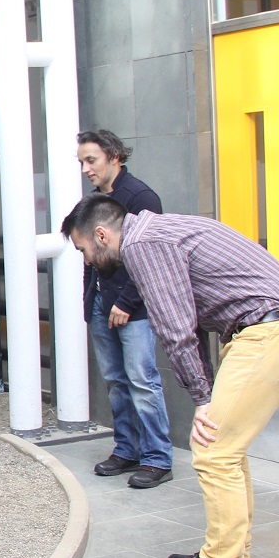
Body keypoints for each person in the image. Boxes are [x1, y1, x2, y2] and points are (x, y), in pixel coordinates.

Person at [63, 193, 279, 558]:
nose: (87, 261)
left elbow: (176, 328)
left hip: (269, 333)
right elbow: (191, 322)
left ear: (102, 235)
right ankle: (231, 556)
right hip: (274, 329)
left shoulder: (143, 245)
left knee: (214, 450)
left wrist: (202, 398)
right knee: (226, 448)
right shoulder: (158, 232)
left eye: (84, 250)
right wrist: (206, 391)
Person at [76, 130, 174, 489]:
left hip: (133, 310)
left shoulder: (141, 197)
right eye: (81, 162)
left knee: (142, 382)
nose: (86, 169)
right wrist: (91, 301)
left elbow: (152, 255)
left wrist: (126, 303)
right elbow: (88, 256)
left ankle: (157, 458)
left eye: (91, 160)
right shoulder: (94, 201)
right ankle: (127, 449)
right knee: (116, 382)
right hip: (101, 305)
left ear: (114, 156)